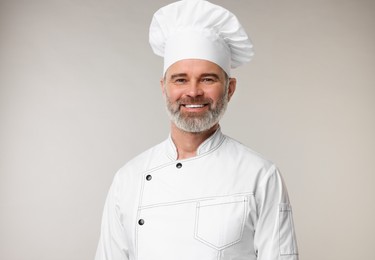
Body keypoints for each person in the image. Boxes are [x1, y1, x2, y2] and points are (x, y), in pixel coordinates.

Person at [95, 0, 299, 259]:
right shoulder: (128, 179)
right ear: (164, 87)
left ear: (230, 89)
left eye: (208, 79)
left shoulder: (260, 176)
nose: (193, 92)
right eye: (180, 79)